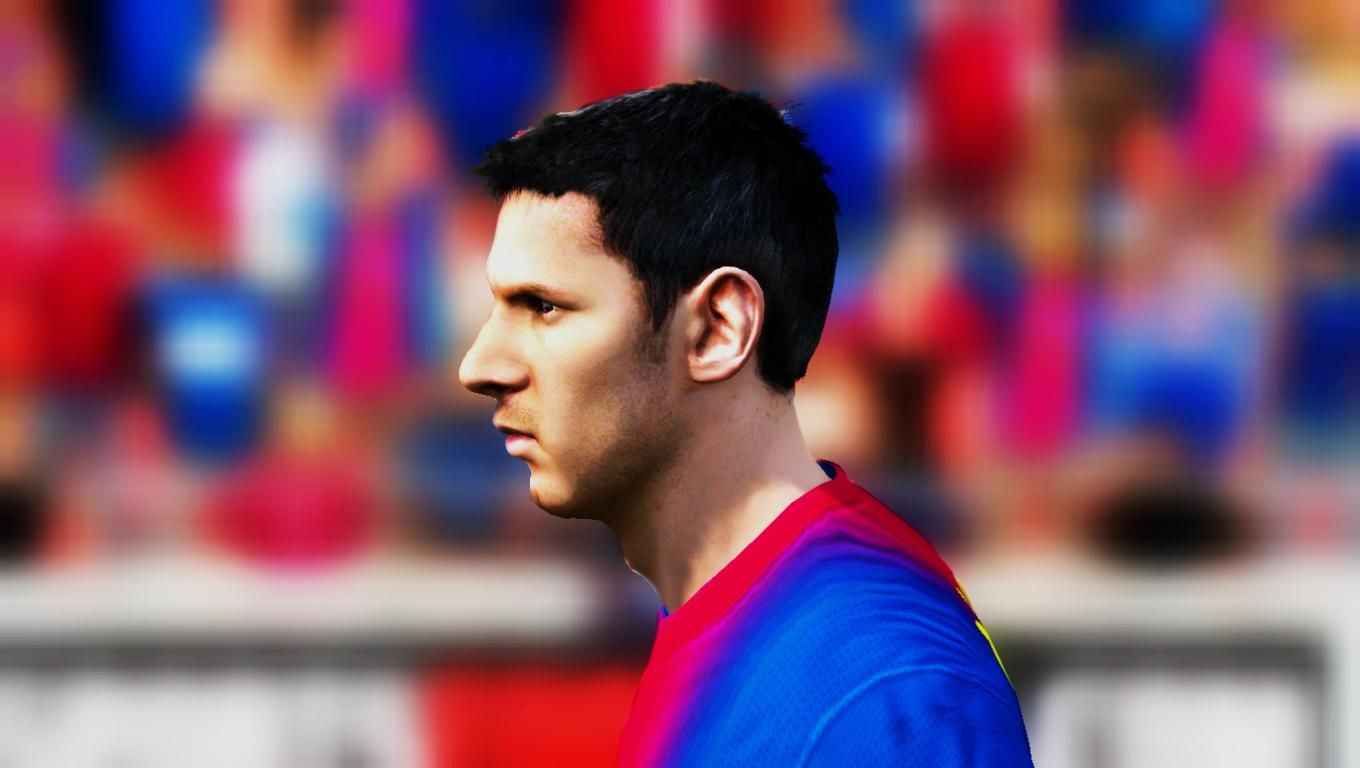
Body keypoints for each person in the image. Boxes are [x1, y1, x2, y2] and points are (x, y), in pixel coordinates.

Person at [458, 80, 1032, 766]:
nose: (479, 366)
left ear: (718, 328)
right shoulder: (738, 613)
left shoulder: (884, 697)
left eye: (544, 307)